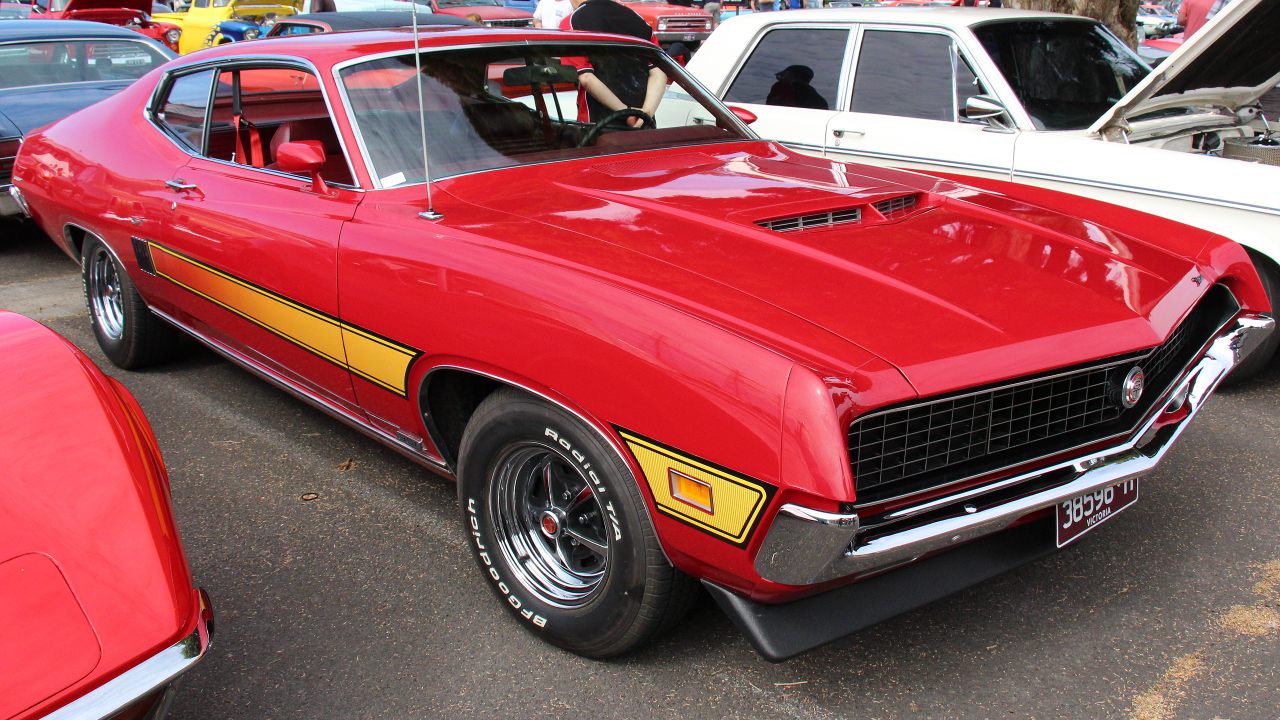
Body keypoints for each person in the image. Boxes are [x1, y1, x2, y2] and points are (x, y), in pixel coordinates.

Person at [560, 0, 667, 127]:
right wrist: (646, 113)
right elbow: (659, 72)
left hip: (597, 126)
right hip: (643, 124)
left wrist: (626, 112)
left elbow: (586, 77)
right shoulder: (638, 20)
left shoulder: (572, 22)